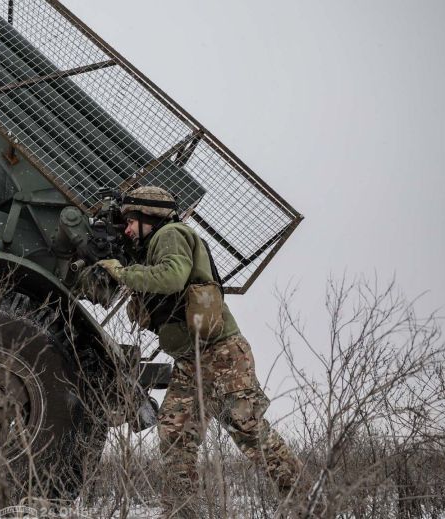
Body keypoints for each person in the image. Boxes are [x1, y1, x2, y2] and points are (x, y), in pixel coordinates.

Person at [94, 186, 303, 517]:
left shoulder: (172, 234)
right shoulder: (150, 247)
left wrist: (122, 273)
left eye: (131, 221)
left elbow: (173, 276)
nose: (128, 229)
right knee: (174, 435)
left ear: (150, 217)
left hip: (221, 354)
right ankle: (181, 512)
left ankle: (311, 504)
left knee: (246, 429)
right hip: (191, 361)